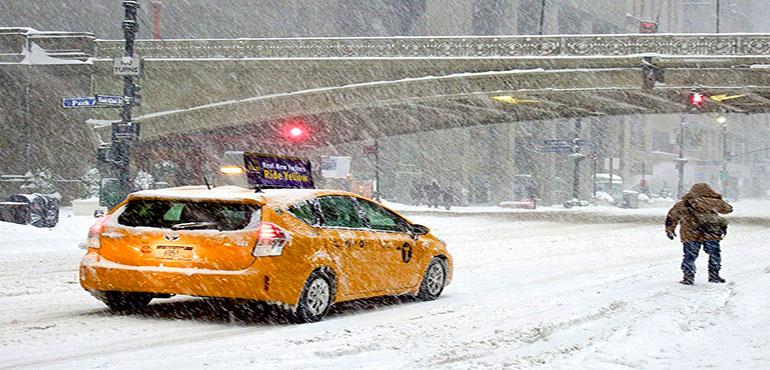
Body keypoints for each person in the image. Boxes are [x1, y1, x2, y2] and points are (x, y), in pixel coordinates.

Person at [665, 183, 733, 285]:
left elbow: (672, 216)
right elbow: (728, 209)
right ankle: (714, 275)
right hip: (711, 233)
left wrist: (670, 230)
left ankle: (688, 277)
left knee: (689, 256)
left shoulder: (685, 203)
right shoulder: (714, 202)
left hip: (690, 233)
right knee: (714, 254)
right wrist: (718, 199)